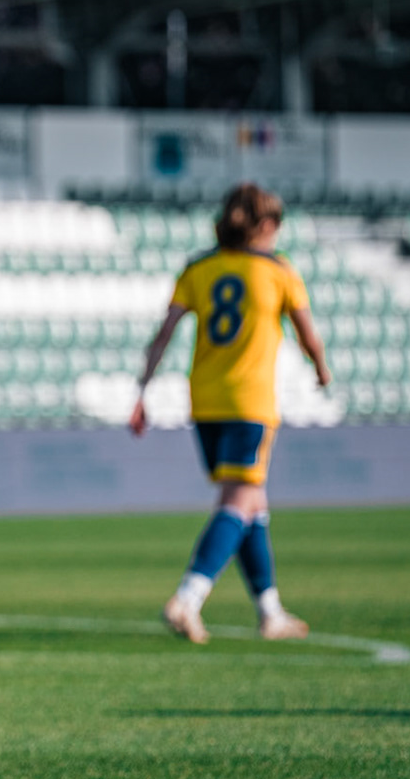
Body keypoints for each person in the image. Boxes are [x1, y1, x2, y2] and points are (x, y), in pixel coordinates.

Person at [130, 183, 332, 645]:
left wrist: (141, 391)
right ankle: (188, 598)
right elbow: (308, 336)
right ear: (265, 226)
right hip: (251, 401)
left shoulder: (199, 268)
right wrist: (322, 371)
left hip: (204, 401)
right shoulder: (279, 271)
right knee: (239, 502)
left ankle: (270, 612)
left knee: (252, 505)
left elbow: (163, 334)